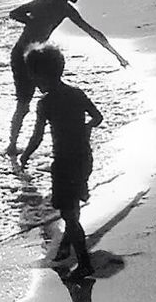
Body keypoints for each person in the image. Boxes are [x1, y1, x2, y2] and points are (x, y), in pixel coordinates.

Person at [7, 0, 127, 156]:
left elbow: (91, 31)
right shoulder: (50, 3)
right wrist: (33, 23)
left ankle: (21, 145)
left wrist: (116, 54)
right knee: (25, 102)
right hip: (23, 56)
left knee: (32, 102)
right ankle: (14, 145)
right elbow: (15, 13)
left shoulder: (62, 7)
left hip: (37, 57)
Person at [18, 45, 103, 280]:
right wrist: (86, 128)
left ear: (41, 75)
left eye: (33, 76)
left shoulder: (45, 104)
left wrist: (25, 155)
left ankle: (85, 264)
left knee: (69, 214)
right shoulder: (77, 93)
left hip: (64, 164)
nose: (33, 82)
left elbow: (37, 136)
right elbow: (98, 117)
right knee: (72, 209)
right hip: (85, 158)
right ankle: (66, 246)